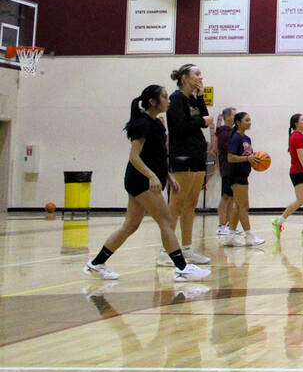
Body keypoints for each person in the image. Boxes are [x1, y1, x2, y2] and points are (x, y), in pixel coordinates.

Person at [84, 84, 210, 282]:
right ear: (153, 101)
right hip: (140, 180)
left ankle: (96, 263)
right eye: (165, 97)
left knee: (130, 226)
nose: (169, 100)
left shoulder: (157, 123)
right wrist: (151, 176)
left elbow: (158, 155)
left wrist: (168, 175)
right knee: (167, 221)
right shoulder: (142, 123)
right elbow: (134, 156)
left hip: (147, 179)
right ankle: (182, 268)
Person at [162, 63, 213, 266]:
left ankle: (186, 248)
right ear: (184, 77)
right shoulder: (175, 99)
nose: (201, 77)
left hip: (197, 154)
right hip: (182, 155)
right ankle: (166, 251)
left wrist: (200, 98)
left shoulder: (192, 99)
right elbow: (180, 127)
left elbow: (204, 117)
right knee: (176, 204)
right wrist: (202, 122)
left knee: (191, 203)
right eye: (197, 74)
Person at [272, 113, 303, 239]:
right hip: (299, 172)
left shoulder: (301, 136)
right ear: (296, 124)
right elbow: (300, 156)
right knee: (301, 200)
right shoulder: (297, 137)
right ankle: (279, 221)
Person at [225, 112, 265, 246]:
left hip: (244, 173)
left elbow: (249, 156)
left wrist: (255, 161)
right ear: (238, 122)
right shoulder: (236, 138)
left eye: (250, 120)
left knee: (237, 206)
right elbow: (230, 157)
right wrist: (247, 158)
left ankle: (230, 236)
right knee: (244, 206)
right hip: (236, 174)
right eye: (247, 120)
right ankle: (249, 236)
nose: (250, 122)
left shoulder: (247, 138)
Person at [213, 107, 236, 243]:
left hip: (234, 169)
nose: (235, 117)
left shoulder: (232, 132)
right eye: (233, 115)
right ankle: (221, 225)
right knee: (226, 197)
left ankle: (228, 224)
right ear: (227, 117)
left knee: (232, 198)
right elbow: (227, 151)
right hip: (227, 168)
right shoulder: (224, 133)